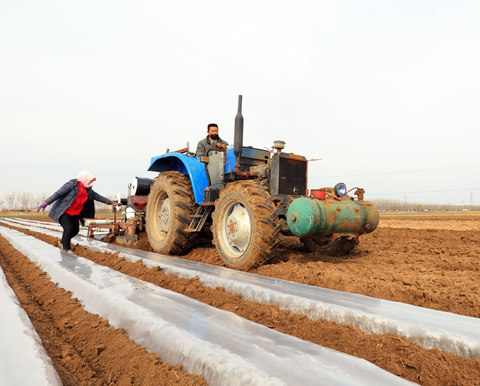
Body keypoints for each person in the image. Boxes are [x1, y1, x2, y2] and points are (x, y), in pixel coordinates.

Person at [37, 171, 118, 252]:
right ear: (84, 178)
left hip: (75, 214)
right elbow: (58, 193)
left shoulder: (88, 189)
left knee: (75, 230)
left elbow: (98, 197)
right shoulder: (72, 185)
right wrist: (46, 203)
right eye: (89, 180)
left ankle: (62, 242)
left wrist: (110, 202)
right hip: (64, 211)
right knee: (68, 229)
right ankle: (66, 249)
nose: (90, 182)